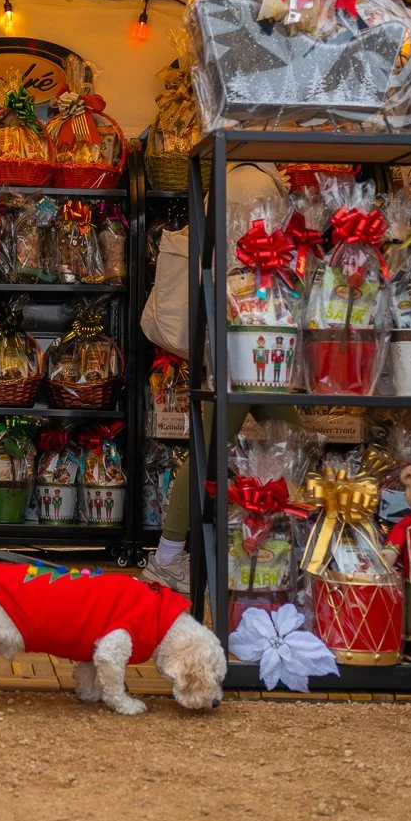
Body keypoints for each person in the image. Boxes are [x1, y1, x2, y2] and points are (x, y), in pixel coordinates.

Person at [144, 163, 302, 593]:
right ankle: (171, 557)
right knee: (279, 442)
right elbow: (263, 260)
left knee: (226, 445)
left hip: (233, 333)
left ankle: (177, 555)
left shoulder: (227, 176)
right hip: (253, 334)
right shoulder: (254, 181)